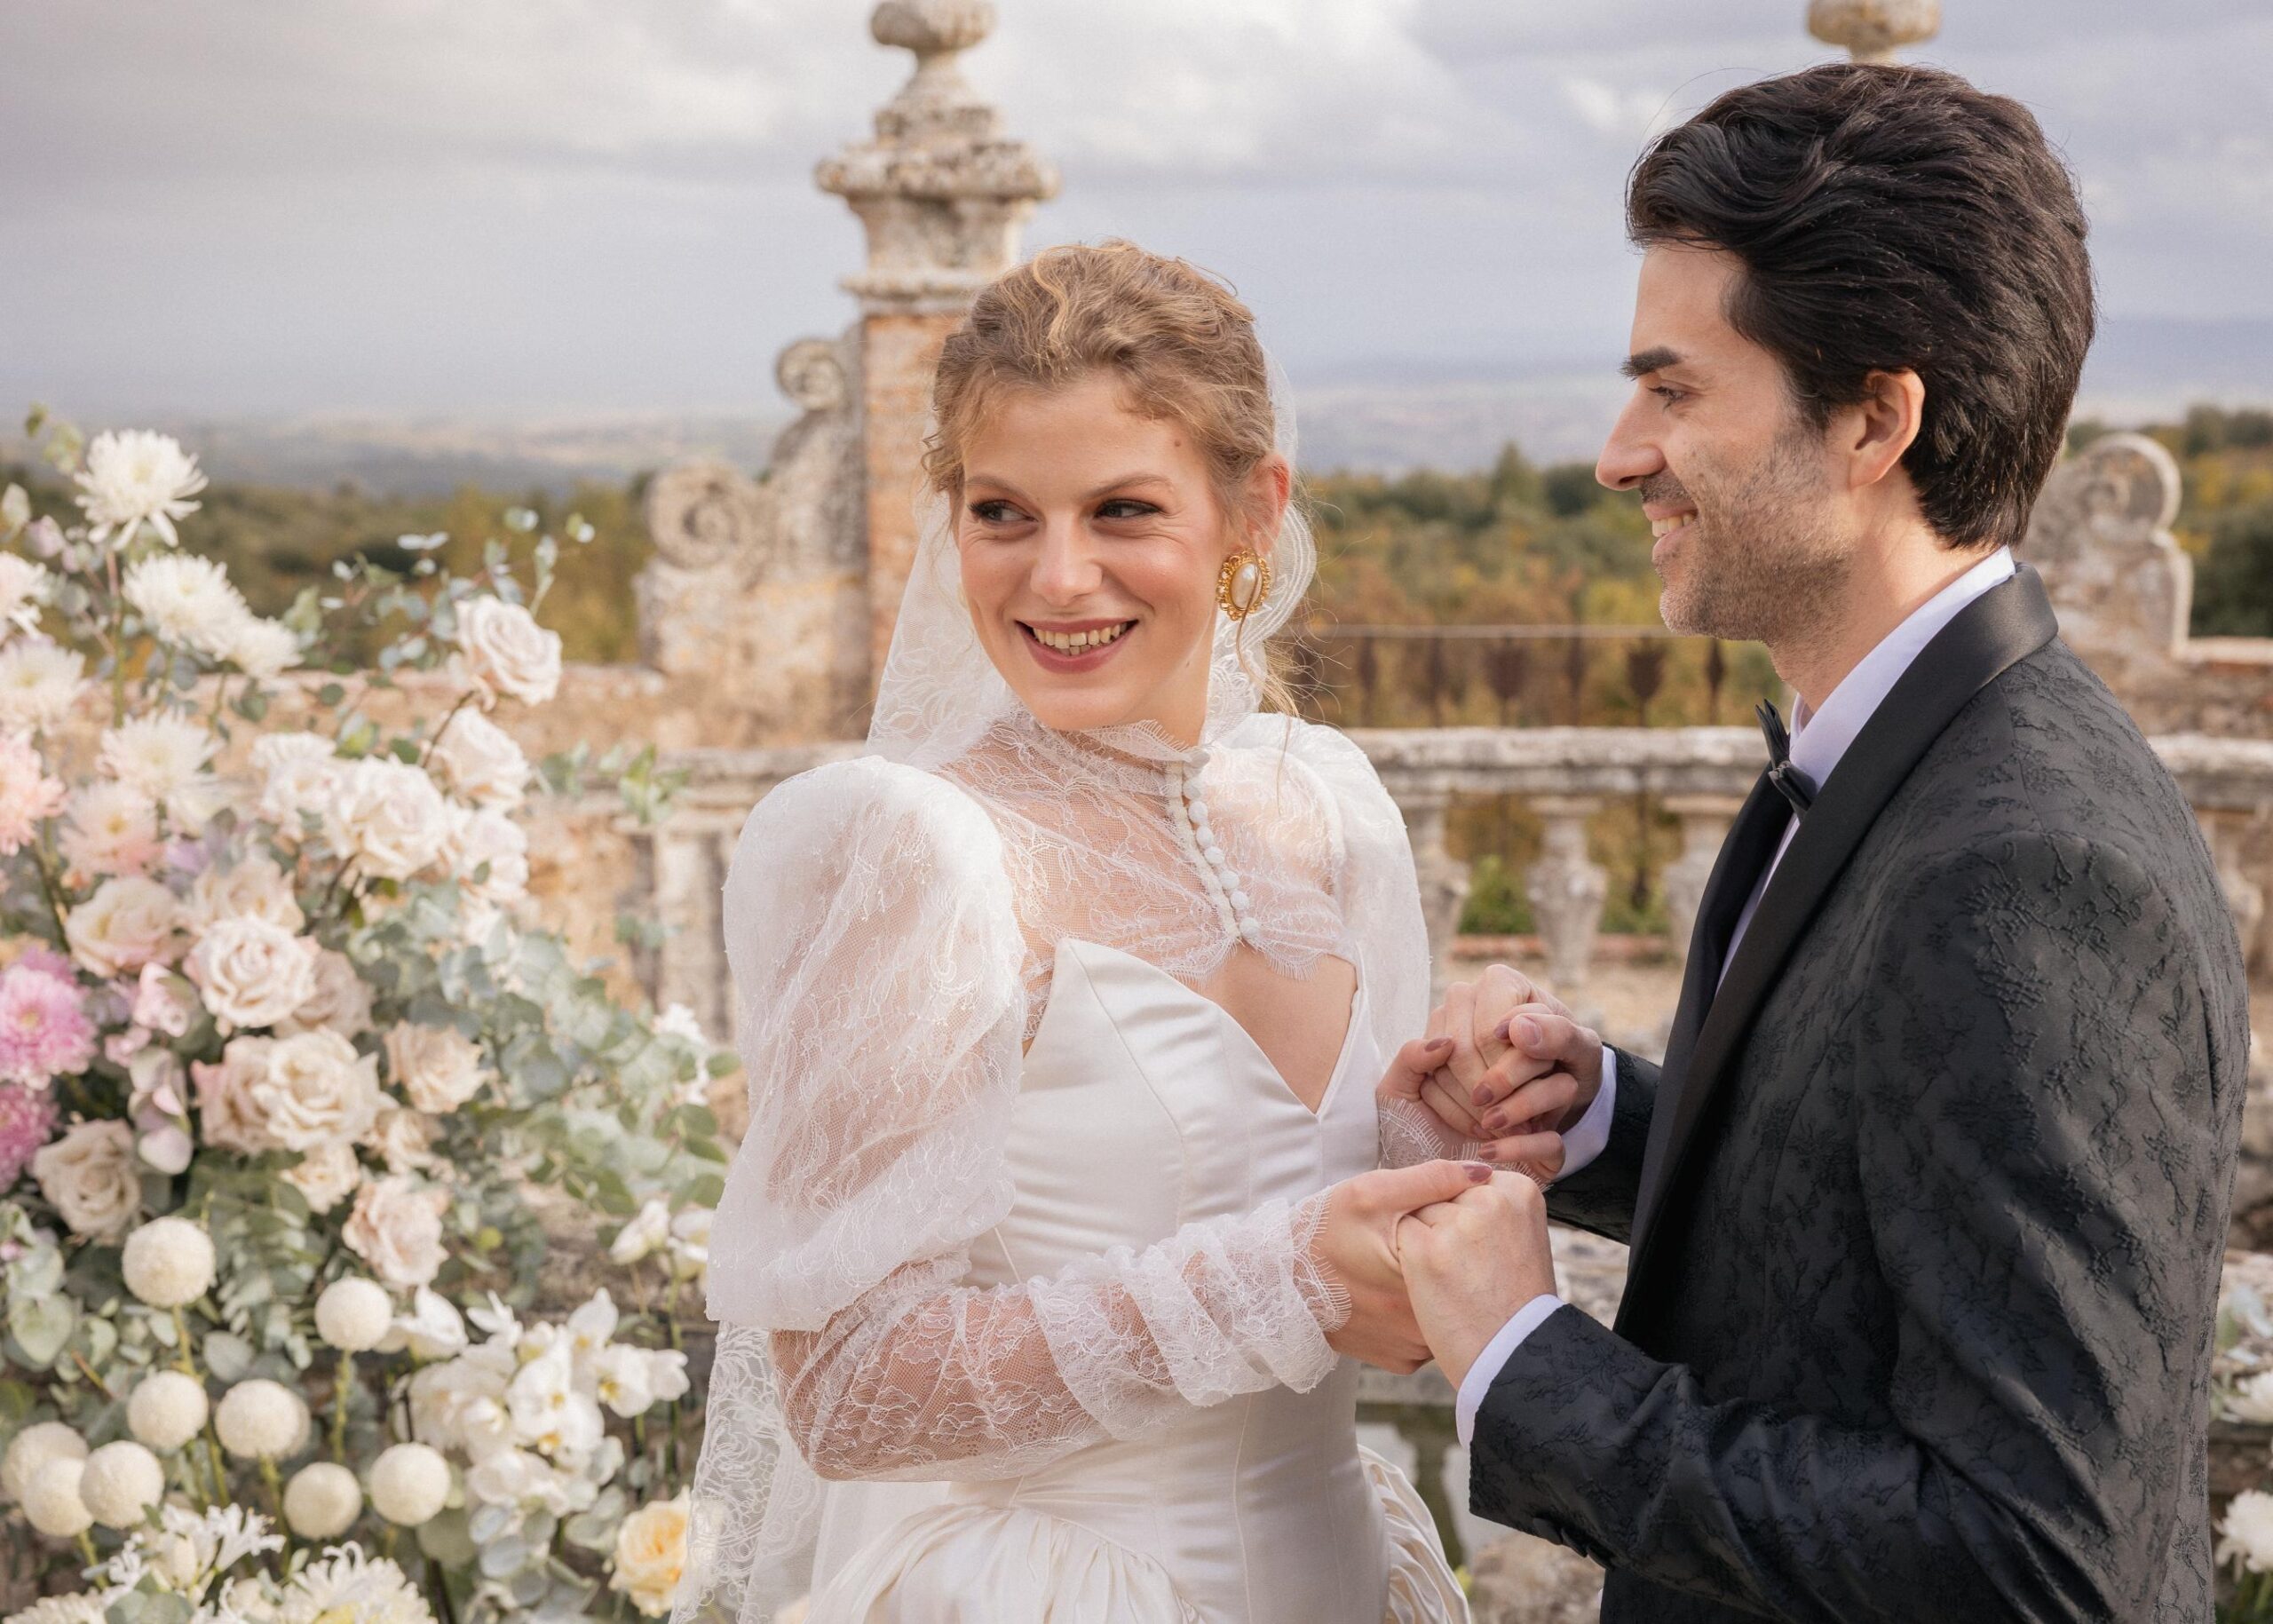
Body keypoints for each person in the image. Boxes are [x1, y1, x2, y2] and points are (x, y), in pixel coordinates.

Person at [1373, 62, 2250, 1622]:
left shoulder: (2029, 868)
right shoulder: (1908, 762)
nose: (1618, 453)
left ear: (1875, 420)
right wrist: (1602, 1124)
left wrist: (1531, 1364)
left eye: (1677, 388)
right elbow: (1874, 1223)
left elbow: (2038, 1561)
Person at [677, 241, 1527, 1624]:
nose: (1059, 577)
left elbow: (1339, 1270)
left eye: (1124, 509)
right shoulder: (920, 850)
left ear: (1255, 511)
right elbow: (841, 1390)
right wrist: (1288, 1272)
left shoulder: (1331, 807)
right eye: (1003, 512)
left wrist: (1450, 1136)